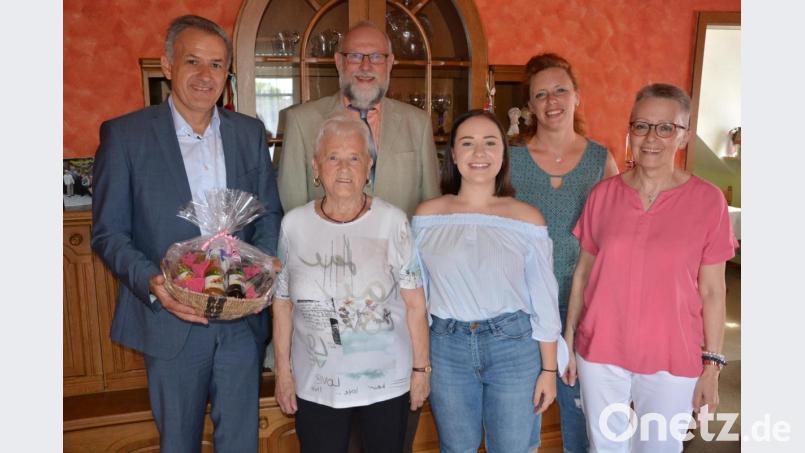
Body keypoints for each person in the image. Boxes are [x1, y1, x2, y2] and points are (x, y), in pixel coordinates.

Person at [91, 15, 282, 452]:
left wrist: (264, 266)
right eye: (193, 61)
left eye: (217, 65)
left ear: (227, 74)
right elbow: (108, 233)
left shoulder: (249, 133)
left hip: (241, 317)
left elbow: (268, 213)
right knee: (177, 441)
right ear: (167, 65)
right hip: (171, 319)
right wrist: (154, 283)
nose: (205, 75)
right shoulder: (125, 136)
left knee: (241, 442)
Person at [563, 83, 738, 452]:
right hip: (600, 350)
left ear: (684, 136)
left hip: (673, 354)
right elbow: (582, 274)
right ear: (631, 132)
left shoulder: (708, 202)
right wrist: (569, 338)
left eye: (665, 128)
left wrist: (713, 367)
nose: (651, 138)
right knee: (604, 448)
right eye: (641, 126)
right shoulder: (603, 195)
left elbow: (712, 290)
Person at [272, 115, 430, 453]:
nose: (344, 168)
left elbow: (416, 304)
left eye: (354, 157)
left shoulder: (393, 222)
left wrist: (421, 369)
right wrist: (283, 372)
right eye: (333, 157)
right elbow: (282, 303)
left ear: (368, 165)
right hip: (317, 386)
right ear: (316, 167)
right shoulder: (293, 226)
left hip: (387, 385)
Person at [412, 109, 566, 453]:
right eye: (467, 143)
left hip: (513, 345)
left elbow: (543, 297)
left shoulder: (526, 218)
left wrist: (549, 370)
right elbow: (415, 299)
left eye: (489, 143)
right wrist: (418, 365)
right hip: (446, 346)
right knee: (456, 448)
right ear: (453, 154)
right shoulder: (427, 216)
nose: (479, 153)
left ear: (502, 154)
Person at [509, 52, 618, 453]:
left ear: (577, 97)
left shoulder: (599, 160)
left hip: (583, 306)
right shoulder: (511, 160)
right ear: (530, 106)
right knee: (523, 415)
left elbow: (615, 236)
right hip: (522, 308)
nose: (551, 101)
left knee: (581, 414)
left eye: (560, 90)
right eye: (541, 95)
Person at [277, 21, 440, 217]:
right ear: (339, 62)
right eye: (355, 56)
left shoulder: (418, 123)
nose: (366, 66)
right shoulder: (301, 122)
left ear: (389, 64)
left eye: (376, 57)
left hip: (399, 245)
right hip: (327, 246)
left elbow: (432, 209)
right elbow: (292, 208)